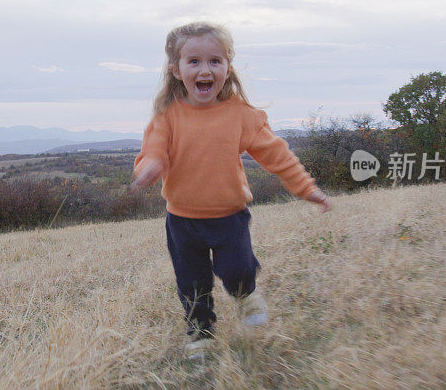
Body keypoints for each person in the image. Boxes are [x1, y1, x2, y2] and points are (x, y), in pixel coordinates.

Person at [130, 21, 331, 358]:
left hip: (230, 216)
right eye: (193, 61)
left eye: (215, 61)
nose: (205, 69)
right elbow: (153, 151)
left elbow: (277, 155)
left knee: (237, 271)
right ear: (176, 70)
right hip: (182, 221)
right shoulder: (167, 116)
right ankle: (201, 335)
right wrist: (149, 167)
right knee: (192, 285)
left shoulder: (239, 114)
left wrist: (306, 188)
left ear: (227, 67)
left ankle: (246, 294)